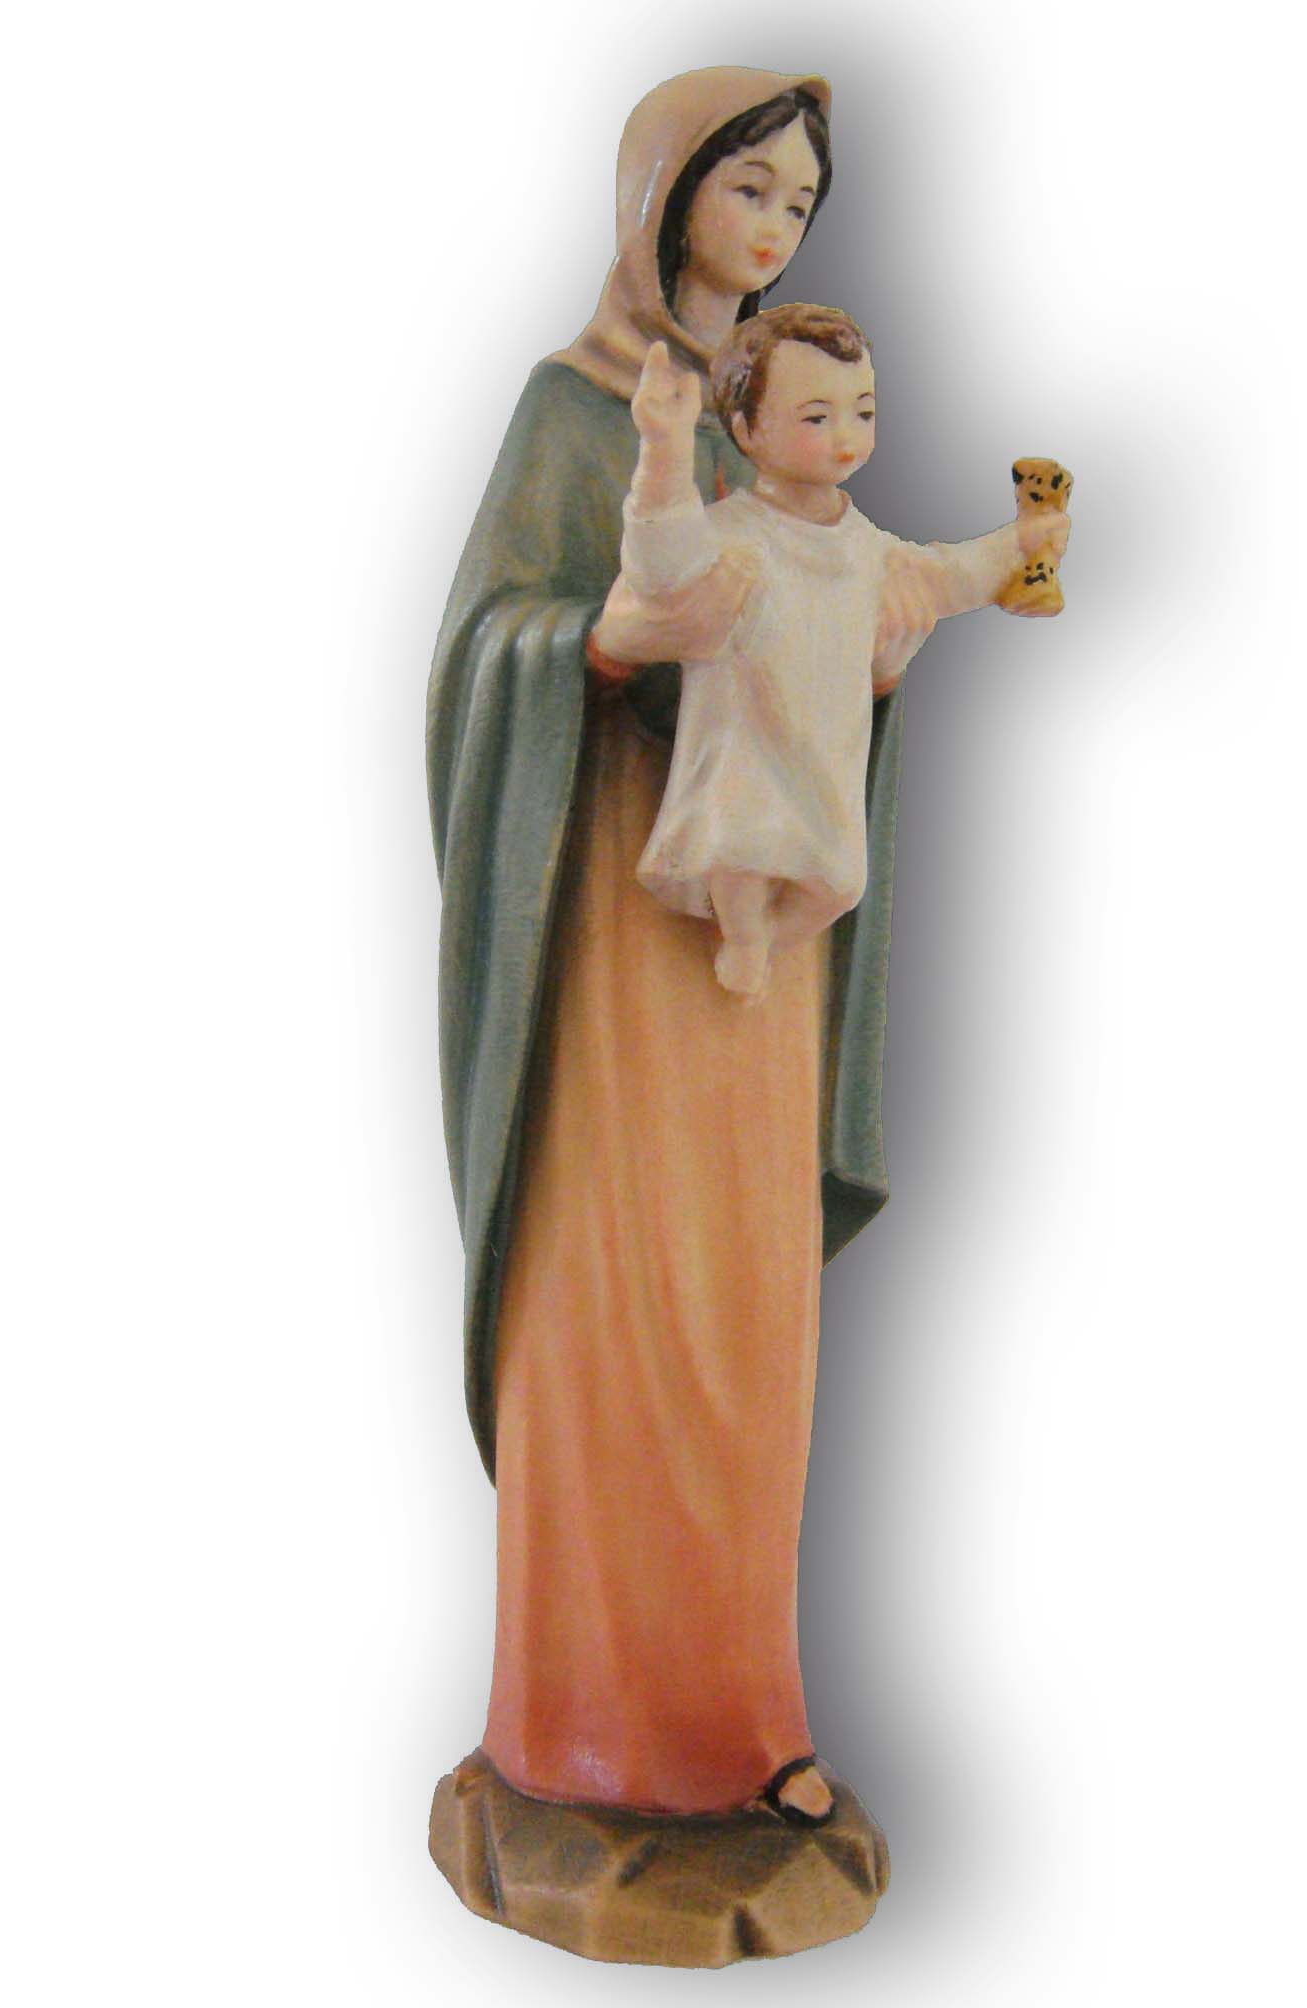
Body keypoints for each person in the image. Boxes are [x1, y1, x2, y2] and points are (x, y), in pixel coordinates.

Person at [429, 68, 946, 1827]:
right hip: (608, 929)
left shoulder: (786, 421)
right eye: (748, 187)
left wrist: (876, 664)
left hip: (763, 951)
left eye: (799, 200)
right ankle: (575, 1728)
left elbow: (842, 622)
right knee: (616, 1299)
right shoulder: (577, 407)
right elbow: (480, 648)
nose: (776, 225)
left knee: (746, 1313)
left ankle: (739, 1722)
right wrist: (597, 642)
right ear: (662, 192)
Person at [622, 306, 1065, 995]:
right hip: (745, 735)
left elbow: (947, 575)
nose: (845, 438)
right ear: (746, 429)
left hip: (826, 747)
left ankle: (766, 943)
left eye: (863, 412)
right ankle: (743, 935)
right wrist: (663, 453)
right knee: (739, 845)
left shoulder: (867, 550)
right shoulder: (733, 534)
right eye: (816, 418)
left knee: (840, 883)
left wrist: (1019, 544)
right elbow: (662, 566)